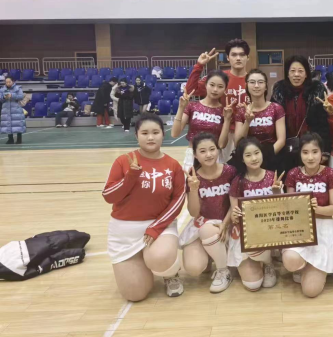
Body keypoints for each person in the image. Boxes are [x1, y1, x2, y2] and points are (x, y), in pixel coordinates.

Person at [103, 114, 186, 301]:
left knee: (160, 257)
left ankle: (170, 273)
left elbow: (178, 200)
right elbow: (109, 196)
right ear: (136, 135)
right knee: (135, 295)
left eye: (155, 132)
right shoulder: (123, 161)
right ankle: (144, 265)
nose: (150, 137)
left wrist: (156, 227)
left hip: (160, 225)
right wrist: (130, 176)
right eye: (145, 133)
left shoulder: (173, 165)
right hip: (125, 230)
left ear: (163, 134)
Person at [283, 133, 333, 298]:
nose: (310, 157)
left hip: (323, 226)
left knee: (310, 291)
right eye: (305, 152)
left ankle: (315, 270)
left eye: (315, 152)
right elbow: (289, 206)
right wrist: (278, 196)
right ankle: (302, 266)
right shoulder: (293, 174)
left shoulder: (330, 173)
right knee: (290, 260)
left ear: (322, 153)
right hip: (299, 227)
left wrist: (317, 209)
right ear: (300, 153)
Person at [180, 133, 238, 294]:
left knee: (210, 231)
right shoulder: (193, 177)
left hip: (228, 222)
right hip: (204, 225)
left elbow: (235, 203)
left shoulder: (230, 171)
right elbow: (194, 212)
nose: (209, 154)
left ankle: (223, 270)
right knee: (194, 268)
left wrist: (225, 224)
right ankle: (215, 255)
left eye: (212, 149)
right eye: (203, 151)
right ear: (195, 155)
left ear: (218, 150)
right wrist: (193, 189)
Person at [228, 138, 284, 291]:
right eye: (248, 155)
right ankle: (251, 261)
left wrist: (277, 192)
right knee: (253, 284)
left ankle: (268, 263)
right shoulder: (238, 182)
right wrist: (235, 215)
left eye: (256, 153)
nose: (254, 158)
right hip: (247, 232)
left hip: (270, 229)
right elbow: (234, 214)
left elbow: (283, 209)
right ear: (242, 159)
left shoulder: (273, 177)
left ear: (262, 154)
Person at [185, 40, 251, 161]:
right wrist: (199, 66)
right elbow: (190, 90)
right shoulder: (220, 78)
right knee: (223, 169)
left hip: (247, 131)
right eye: (234, 55)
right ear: (228, 57)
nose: (238, 58)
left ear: (248, 57)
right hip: (222, 133)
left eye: (242, 55)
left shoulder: (253, 80)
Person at [271, 55, 332, 172]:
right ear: (287, 73)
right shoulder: (279, 90)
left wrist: (324, 151)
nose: (296, 75)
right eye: (292, 71)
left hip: (311, 147)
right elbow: (273, 121)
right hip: (285, 149)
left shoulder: (317, 89)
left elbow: (323, 123)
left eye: (300, 71)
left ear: (306, 74)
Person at [171, 70, 233, 171]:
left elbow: (221, 145)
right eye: (212, 85)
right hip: (192, 157)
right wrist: (181, 108)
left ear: (225, 89)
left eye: (220, 86)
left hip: (214, 157)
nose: (215, 89)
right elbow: (175, 133)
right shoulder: (192, 106)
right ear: (205, 85)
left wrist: (227, 120)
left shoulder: (225, 111)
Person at [234, 69, 286, 171]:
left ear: (266, 86)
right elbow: (238, 143)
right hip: (248, 159)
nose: (256, 86)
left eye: (260, 82)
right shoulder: (241, 111)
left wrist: (263, 158)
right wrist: (247, 121)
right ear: (247, 86)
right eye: (252, 82)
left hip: (271, 157)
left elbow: (281, 140)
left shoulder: (276, 108)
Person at [0, 76, 26, 145]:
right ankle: (10, 139)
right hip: (6, 109)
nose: (8, 83)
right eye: (6, 82)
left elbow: (21, 96)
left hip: (16, 109)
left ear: (13, 81)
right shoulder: (2, 89)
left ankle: (19, 139)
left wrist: (12, 95)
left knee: (18, 124)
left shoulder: (18, 88)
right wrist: (4, 97)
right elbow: (0, 99)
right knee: (8, 124)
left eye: (9, 82)